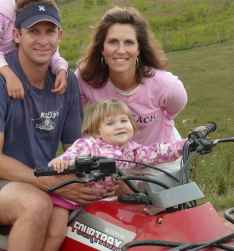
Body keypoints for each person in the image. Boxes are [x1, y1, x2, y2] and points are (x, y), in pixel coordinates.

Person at [0, 0, 116, 251]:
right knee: (36, 204)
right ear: (16, 35)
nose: (43, 41)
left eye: (49, 32)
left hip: (42, 172)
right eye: (33, 32)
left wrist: (96, 176)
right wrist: (57, 184)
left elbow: (75, 145)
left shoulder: (66, 82)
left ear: (60, 35)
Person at [44, 98, 189, 251]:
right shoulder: (87, 145)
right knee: (55, 235)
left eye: (123, 121)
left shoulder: (131, 151)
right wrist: (59, 163)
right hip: (67, 199)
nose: (119, 126)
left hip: (97, 200)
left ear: (132, 126)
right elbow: (67, 158)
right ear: (96, 132)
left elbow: (157, 152)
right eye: (110, 123)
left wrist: (185, 144)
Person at [76, 7, 188, 177]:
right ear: (102, 48)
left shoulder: (167, 85)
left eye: (129, 42)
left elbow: (173, 111)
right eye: (113, 42)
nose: (121, 50)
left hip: (161, 158)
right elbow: (76, 120)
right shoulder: (86, 77)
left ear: (139, 49)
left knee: (160, 202)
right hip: (113, 160)